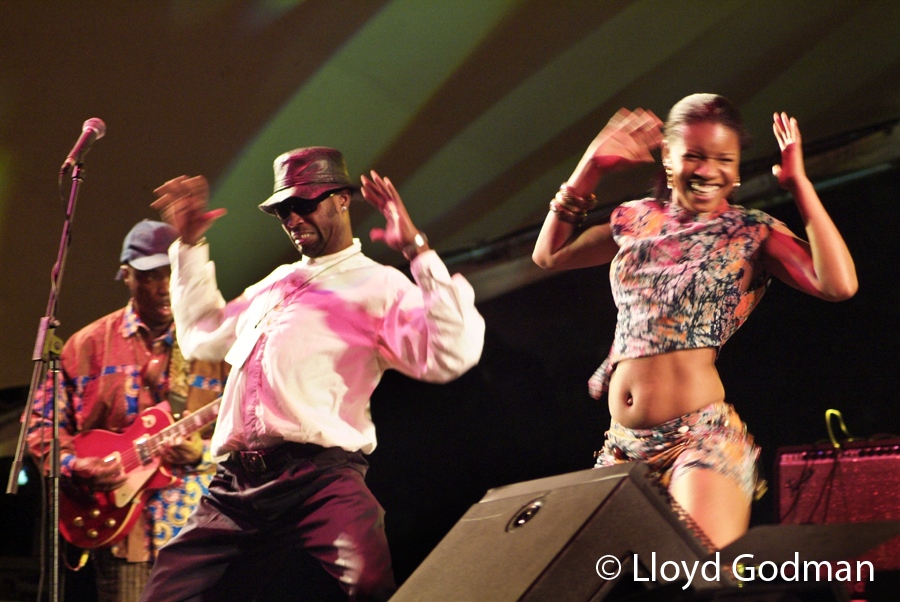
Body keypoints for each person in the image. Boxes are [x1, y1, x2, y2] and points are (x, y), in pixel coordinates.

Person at [138, 147, 485, 602]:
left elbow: (452, 353)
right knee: (168, 592)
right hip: (238, 484)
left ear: (342, 199)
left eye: (304, 204)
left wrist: (415, 249)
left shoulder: (377, 284)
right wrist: (188, 246)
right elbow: (203, 335)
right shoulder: (274, 284)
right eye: (283, 209)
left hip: (319, 477)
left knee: (370, 585)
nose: (292, 218)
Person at [532, 94, 857, 549]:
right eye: (694, 156)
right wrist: (591, 166)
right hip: (622, 446)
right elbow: (549, 254)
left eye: (724, 159)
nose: (708, 171)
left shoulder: (751, 232)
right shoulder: (636, 219)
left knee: (699, 579)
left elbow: (837, 285)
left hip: (698, 442)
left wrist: (799, 185)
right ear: (668, 157)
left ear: (738, 167)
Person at [27, 220, 229, 602]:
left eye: (171, 273)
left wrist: (203, 452)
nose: (164, 286)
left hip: (203, 534)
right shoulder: (84, 347)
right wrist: (74, 465)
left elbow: (256, 427)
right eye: (150, 275)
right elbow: (40, 425)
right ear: (126, 275)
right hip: (123, 536)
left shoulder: (217, 341)